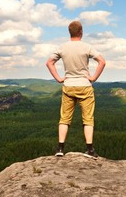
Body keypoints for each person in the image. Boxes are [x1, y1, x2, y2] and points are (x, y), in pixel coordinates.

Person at [46, 20, 106, 158]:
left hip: (68, 85)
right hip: (85, 85)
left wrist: (58, 78)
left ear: (70, 32)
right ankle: (90, 150)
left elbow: (49, 62)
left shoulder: (62, 47)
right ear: (81, 32)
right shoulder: (87, 47)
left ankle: (60, 149)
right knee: (88, 119)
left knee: (64, 118)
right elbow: (102, 61)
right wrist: (94, 78)